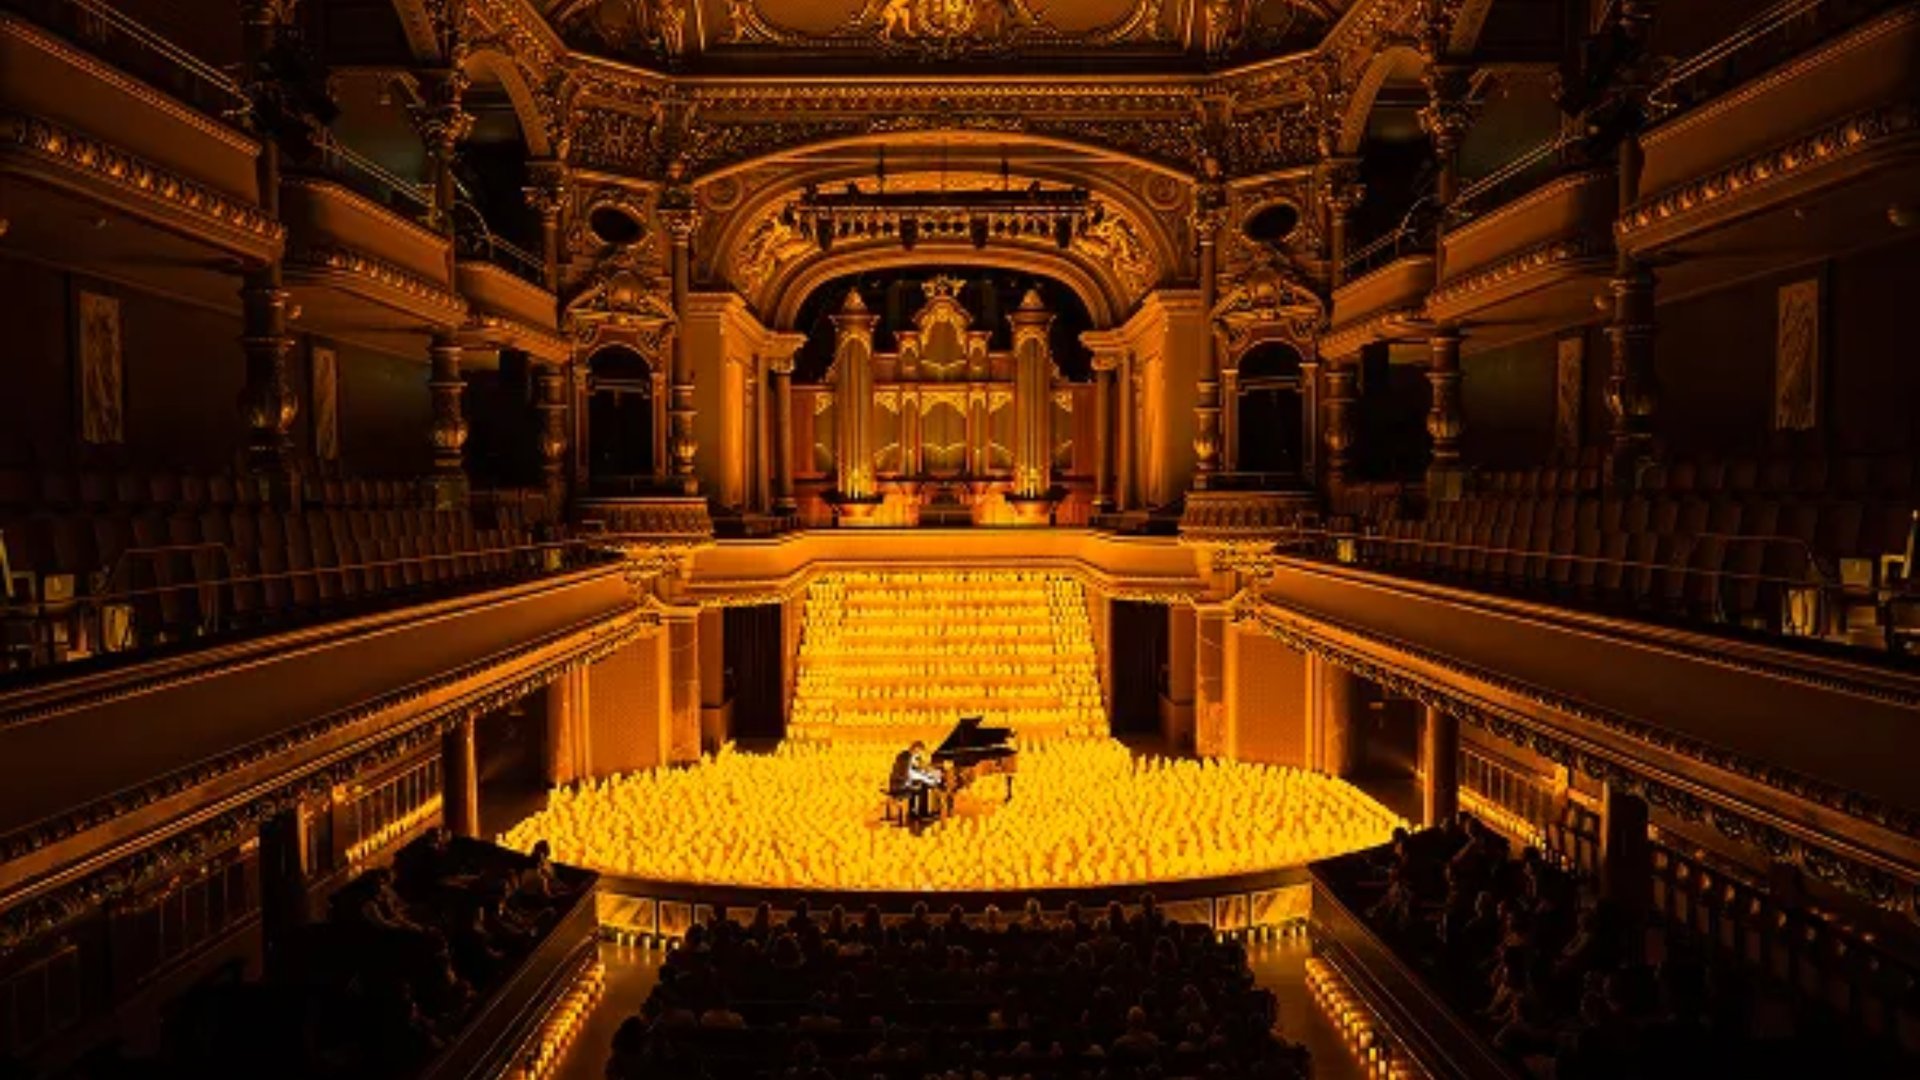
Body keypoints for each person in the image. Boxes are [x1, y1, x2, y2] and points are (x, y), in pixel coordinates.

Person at [888, 740, 945, 821]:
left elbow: (918, 769)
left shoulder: (905, 755)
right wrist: (928, 779)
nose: (920, 755)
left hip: (897, 782)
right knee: (923, 787)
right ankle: (923, 814)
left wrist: (928, 774)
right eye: (920, 752)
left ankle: (913, 812)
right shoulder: (907, 758)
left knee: (918, 785)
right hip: (899, 785)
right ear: (916, 749)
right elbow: (911, 773)